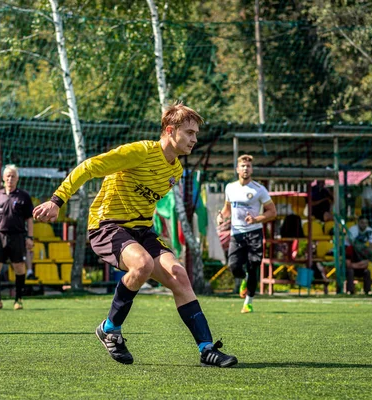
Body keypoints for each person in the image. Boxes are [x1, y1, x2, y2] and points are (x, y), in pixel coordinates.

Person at [33, 103, 238, 368]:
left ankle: (207, 349)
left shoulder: (175, 170)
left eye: (196, 134)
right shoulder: (140, 152)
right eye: (189, 132)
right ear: (169, 130)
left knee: (179, 275)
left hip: (141, 230)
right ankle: (110, 329)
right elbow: (88, 167)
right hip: (107, 225)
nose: (194, 140)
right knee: (142, 264)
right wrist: (56, 201)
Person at [217, 154, 276, 314]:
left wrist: (256, 219)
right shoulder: (230, 187)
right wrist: (221, 216)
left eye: (248, 166)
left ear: (252, 169)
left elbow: (272, 212)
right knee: (234, 266)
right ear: (237, 169)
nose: (245, 168)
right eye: (243, 166)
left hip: (254, 233)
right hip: (237, 234)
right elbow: (227, 208)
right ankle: (244, 279)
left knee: (254, 266)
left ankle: (248, 302)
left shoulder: (259, 189)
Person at [0, 164, 34, 311]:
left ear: (17, 178)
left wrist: (30, 237)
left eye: (13, 176)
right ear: (3, 178)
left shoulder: (24, 196)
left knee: (19, 267)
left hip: (17, 236)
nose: (10, 178)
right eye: (8, 176)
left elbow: (29, 219)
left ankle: (18, 299)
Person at [345, 215, 372, 294]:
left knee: (367, 272)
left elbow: (366, 263)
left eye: (366, 223)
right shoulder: (349, 248)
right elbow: (348, 265)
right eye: (362, 222)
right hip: (351, 268)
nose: (364, 225)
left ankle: (367, 291)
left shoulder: (369, 231)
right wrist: (359, 265)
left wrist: (355, 265)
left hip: (359, 266)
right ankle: (350, 291)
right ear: (358, 223)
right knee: (350, 271)